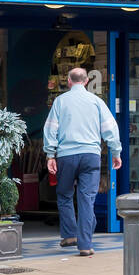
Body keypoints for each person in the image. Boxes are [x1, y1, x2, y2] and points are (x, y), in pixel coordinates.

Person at [43, 68, 122, 256]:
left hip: (66, 156)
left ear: (69, 81)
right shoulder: (97, 102)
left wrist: (50, 155)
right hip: (91, 156)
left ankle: (70, 234)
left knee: (64, 194)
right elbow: (110, 129)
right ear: (86, 81)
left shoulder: (60, 101)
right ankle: (85, 245)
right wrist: (116, 152)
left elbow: (50, 130)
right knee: (87, 200)